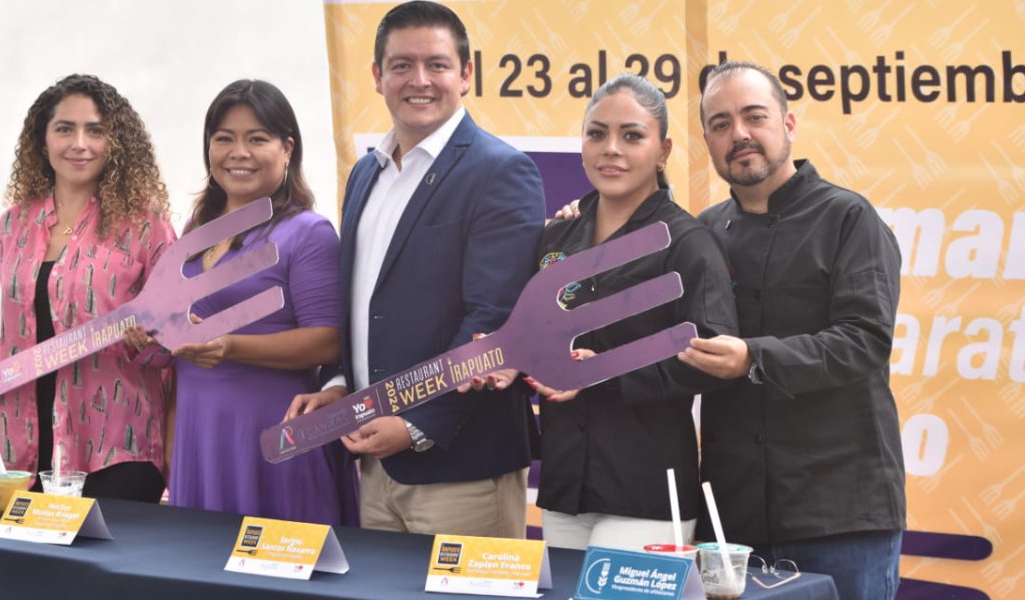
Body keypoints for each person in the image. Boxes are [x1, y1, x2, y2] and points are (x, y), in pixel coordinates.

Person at [285, 0, 545, 538]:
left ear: (466, 75)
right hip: (374, 460)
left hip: (463, 465)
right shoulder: (365, 173)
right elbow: (361, 304)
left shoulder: (501, 172)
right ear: (377, 76)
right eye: (402, 65)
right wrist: (340, 383)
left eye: (437, 65)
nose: (419, 80)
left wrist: (415, 424)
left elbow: (492, 320)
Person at [678, 60, 904, 599]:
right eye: (720, 124)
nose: (739, 134)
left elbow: (865, 340)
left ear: (789, 123)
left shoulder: (848, 218)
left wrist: (752, 358)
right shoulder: (703, 233)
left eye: (754, 116)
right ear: (707, 140)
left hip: (840, 514)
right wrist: (579, 227)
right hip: (732, 519)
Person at [0, 74, 177, 502]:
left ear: (116, 142)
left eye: (95, 130)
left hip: (114, 446)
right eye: (64, 129)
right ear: (42, 140)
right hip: (23, 446)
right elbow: (18, 341)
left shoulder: (145, 226)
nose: (79, 143)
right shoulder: (14, 225)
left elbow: (174, 339)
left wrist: (149, 343)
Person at [523, 74, 737, 551]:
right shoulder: (556, 237)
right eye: (596, 134)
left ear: (663, 150)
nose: (611, 149)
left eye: (632, 135)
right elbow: (532, 338)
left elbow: (710, 356)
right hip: (564, 487)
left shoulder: (688, 243)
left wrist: (601, 371)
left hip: (646, 491)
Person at [163, 80, 358, 526]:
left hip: (271, 431)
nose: (239, 153)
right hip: (199, 430)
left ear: (287, 149)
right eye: (224, 139)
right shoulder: (196, 231)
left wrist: (231, 346)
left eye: (257, 139)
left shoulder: (307, 233)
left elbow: (328, 341)